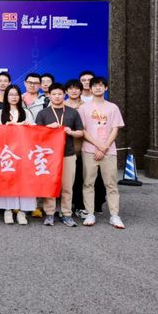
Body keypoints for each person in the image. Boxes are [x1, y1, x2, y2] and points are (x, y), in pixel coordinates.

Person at [78, 77, 126, 229]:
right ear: (90, 88)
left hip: (109, 151)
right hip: (89, 150)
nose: (98, 88)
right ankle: (89, 213)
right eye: (94, 86)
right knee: (88, 182)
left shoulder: (113, 107)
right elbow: (82, 130)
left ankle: (114, 215)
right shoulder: (83, 108)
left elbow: (115, 129)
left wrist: (104, 148)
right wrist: (98, 145)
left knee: (111, 183)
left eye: (101, 85)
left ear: (106, 88)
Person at [35, 83, 84, 227]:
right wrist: (47, 129)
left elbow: (81, 132)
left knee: (67, 186)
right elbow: (36, 134)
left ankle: (67, 214)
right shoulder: (43, 113)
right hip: (49, 155)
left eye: (60, 94)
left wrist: (71, 132)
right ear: (49, 95)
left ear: (64, 95)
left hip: (68, 154)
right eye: (54, 94)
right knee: (50, 185)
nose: (57, 97)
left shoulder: (72, 112)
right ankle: (49, 213)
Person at [0, 84, 36, 225]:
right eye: (11, 94)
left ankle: (22, 211)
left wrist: (26, 127)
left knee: (24, 182)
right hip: (7, 153)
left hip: (23, 152)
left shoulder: (26, 113)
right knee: (7, 181)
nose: (13, 97)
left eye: (16, 95)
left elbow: (35, 132)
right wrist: (6, 128)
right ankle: (8, 210)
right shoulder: (0, 113)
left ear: (20, 97)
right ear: (6, 97)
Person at [65, 79, 106, 217]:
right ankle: (66, 206)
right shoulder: (60, 105)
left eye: (77, 88)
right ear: (66, 91)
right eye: (70, 88)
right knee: (69, 180)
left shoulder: (88, 106)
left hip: (84, 148)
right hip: (65, 150)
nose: (73, 91)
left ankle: (82, 206)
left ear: (81, 91)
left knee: (83, 179)